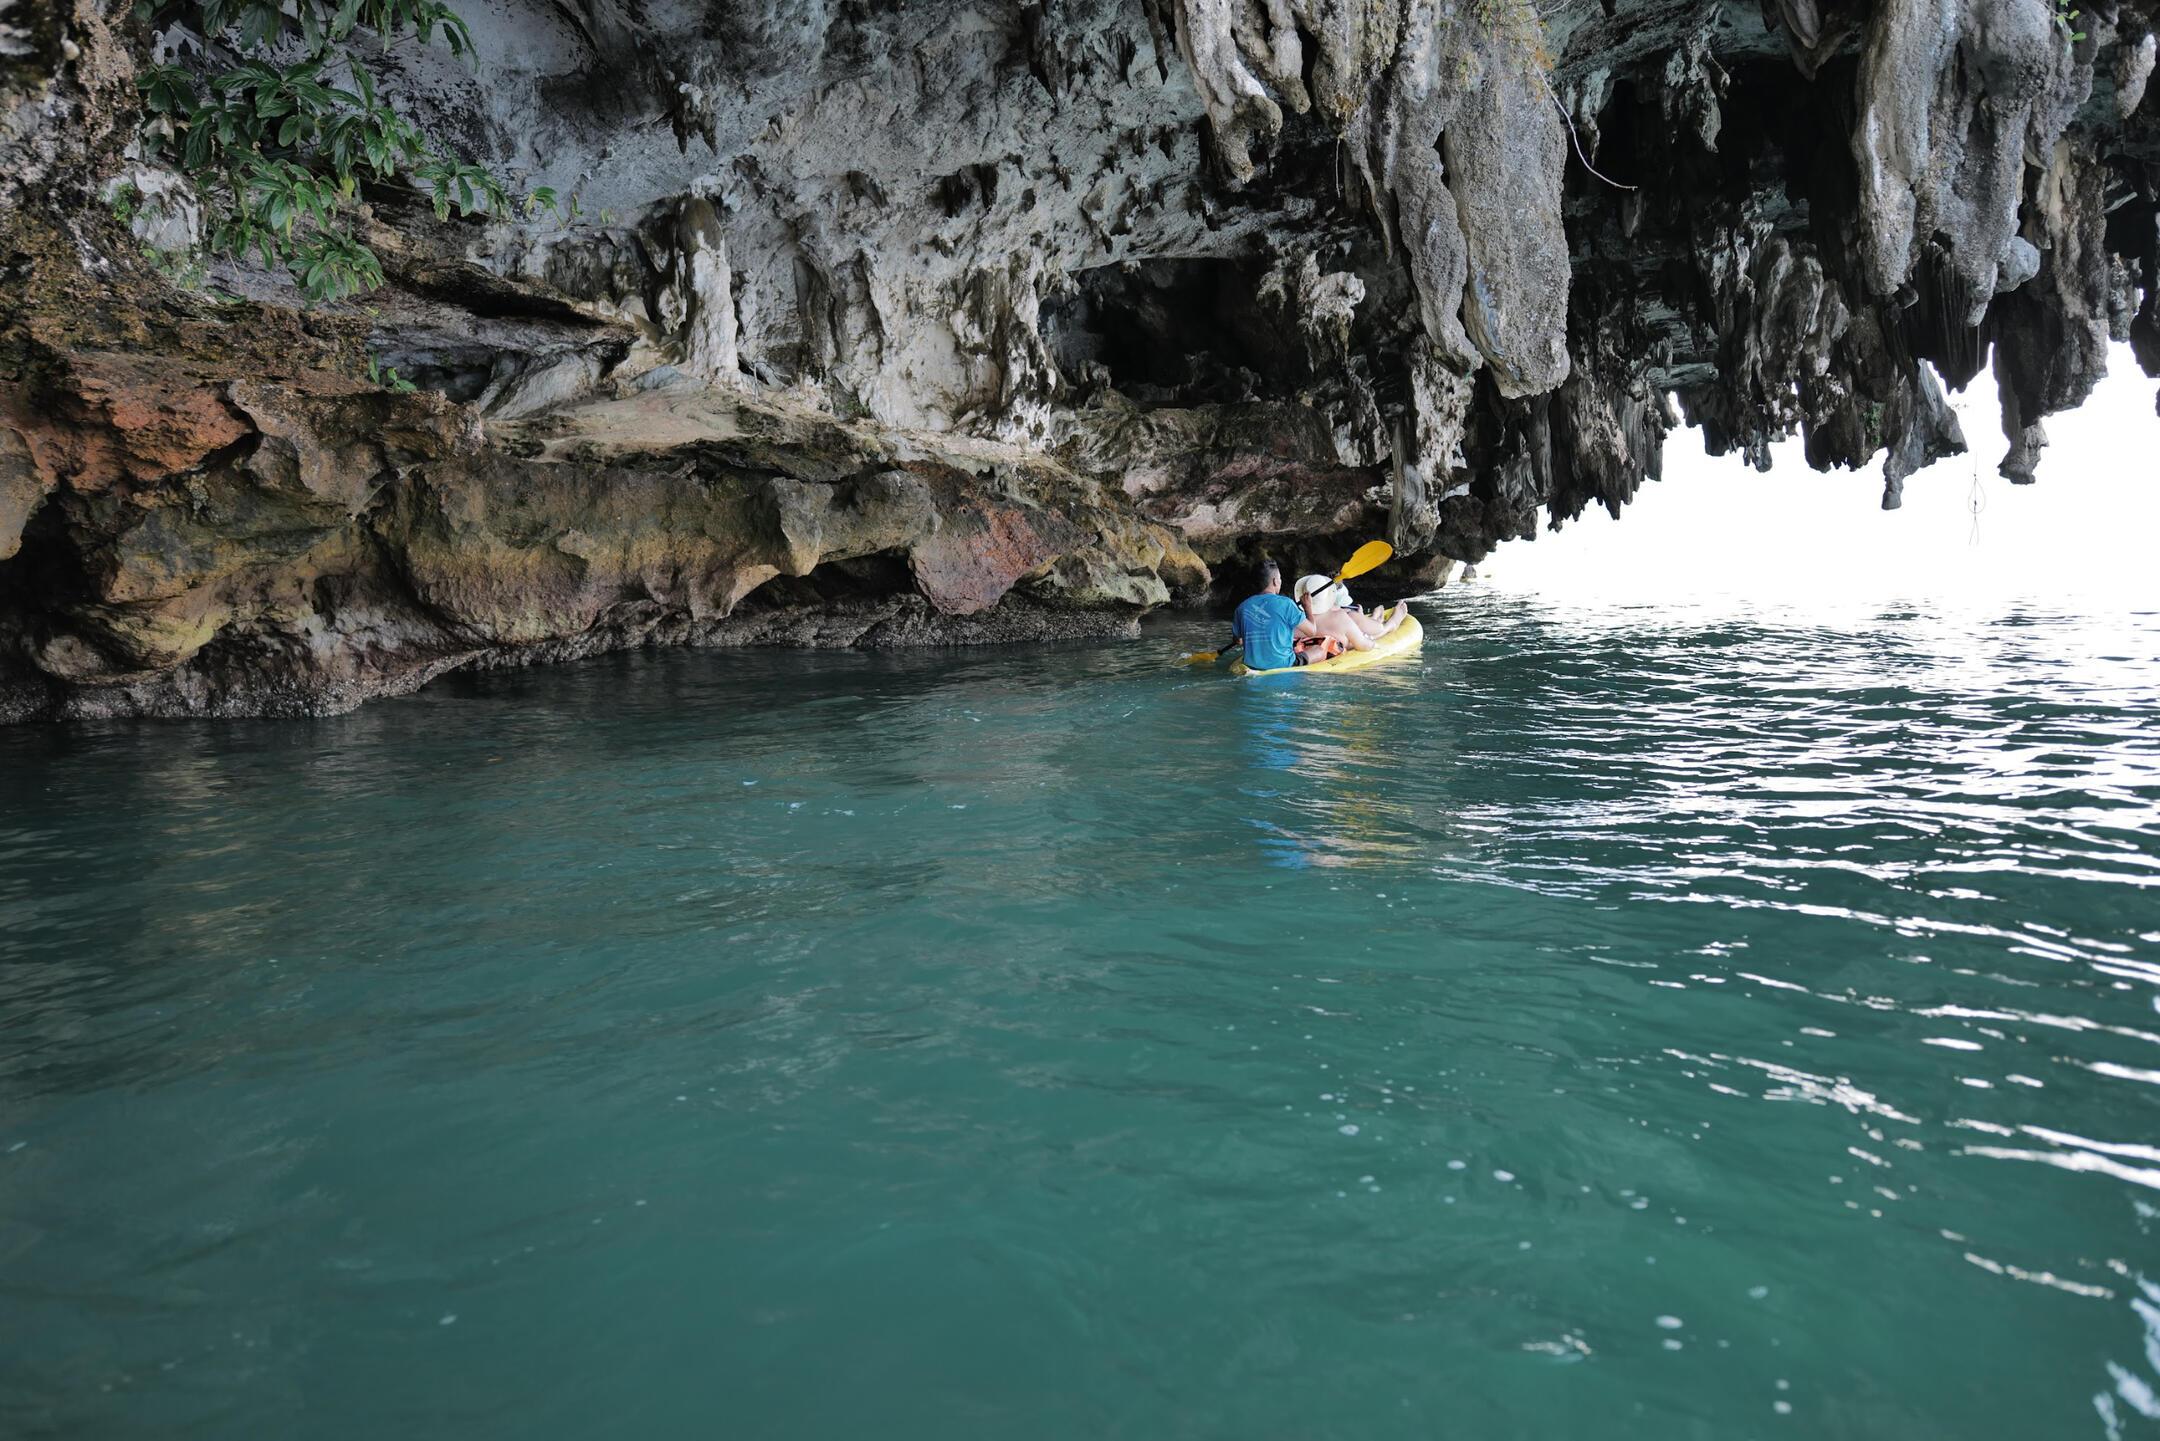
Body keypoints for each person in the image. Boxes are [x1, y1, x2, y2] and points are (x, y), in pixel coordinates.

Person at [1229, 559, 1320, 669]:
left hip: (1252, 665)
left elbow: (1238, 640)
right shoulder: (1286, 604)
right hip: (1284, 665)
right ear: (1275, 581)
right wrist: (1308, 607)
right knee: (1318, 650)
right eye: (1280, 578)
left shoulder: (1242, 607)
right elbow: (1312, 631)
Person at [1293, 574, 1409, 656]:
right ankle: (1391, 625)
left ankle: (1373, 618)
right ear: (1328, 596)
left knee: (1349, 616)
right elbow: (1364, 646)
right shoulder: (1340, 617)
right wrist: (1373, 644)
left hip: (1331, 641)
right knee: (1374, 627)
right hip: (1346, 639)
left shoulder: (1292, 618)